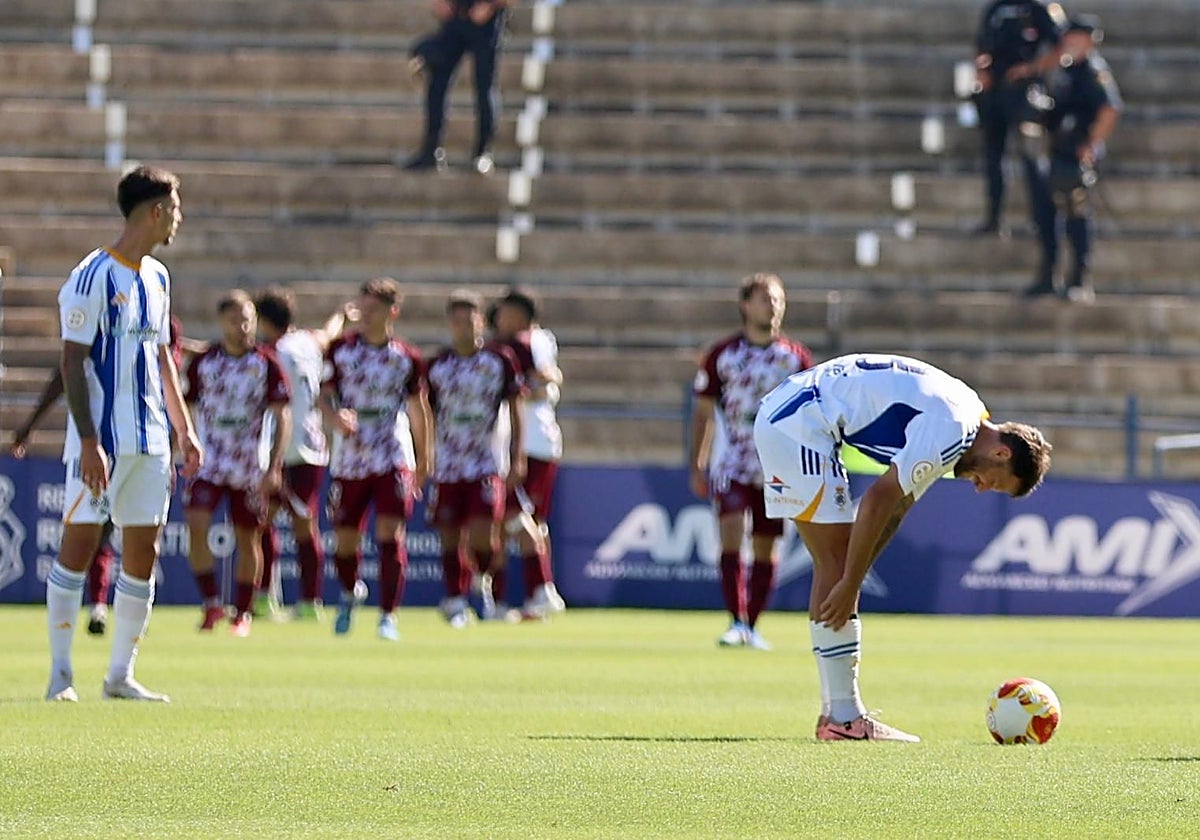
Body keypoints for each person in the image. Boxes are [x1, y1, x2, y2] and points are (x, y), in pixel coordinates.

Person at [754, 353, 1052, 741]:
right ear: (1001, 453)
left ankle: (837, 714)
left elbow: (897, 509)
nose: (980, 487)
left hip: (798, 415)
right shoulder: (951, 430)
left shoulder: (965, 417)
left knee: (840, 566)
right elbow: (878, 500)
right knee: (836, 563)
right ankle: (843, 720)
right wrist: (848, 582)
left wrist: (852, 580)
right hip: (801, 425)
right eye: (993, 481)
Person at [46, 164, 202, 702]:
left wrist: (184, 430)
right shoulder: (91, 275)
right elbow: (71, 362)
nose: (179, 219)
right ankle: (61, 674)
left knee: (143, 551)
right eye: (176, 209)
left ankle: (119, 675)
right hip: (102, 445)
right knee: (80, 544)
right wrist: (89, 441)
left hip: (151, 441)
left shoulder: (158, 278)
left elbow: (162, 359)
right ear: (156, 211)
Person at [13, 318, 204, 635]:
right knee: (90, 533)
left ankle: (124, 644)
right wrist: (38, 426)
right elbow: (66, 369)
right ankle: (86, 624)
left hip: (148, 449)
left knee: (143, 540)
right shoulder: (101, 314)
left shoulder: (161, 315)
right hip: (104, 445)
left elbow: (168, 379)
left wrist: (176, 442)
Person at [689, 273, 812, 650]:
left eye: (777, 298)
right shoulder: (722, 354)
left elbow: (809, 414)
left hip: (777, 465)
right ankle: (736, 620)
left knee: (765, 545)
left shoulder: (795, 357)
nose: (772, 305)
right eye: (764, 298)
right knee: (730, 530)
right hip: (733, 460)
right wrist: (699, 461)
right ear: (745, 305)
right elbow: (703, 412)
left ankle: (753, 625)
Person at [319, 278, 431, 641]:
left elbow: (418, 409)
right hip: (350, 459)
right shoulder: (340, 351)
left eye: (374, 310)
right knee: (346, 540)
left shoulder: (406, 358)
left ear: (392, 312)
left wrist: (424, 461)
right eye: (362, 308)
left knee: (389, 532)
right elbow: (321, 395)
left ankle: (388, 615)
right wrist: (335, 417)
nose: (366, 316)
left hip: (391, 455)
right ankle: (351, 592)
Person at [184, 290, 291, 637]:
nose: (242, 325)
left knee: (248, 539)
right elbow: (185, 404)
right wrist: (182, 444)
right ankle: (211, 603)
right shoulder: (205, 362)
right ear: (221, 322)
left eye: (247, 318)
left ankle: (242, 612)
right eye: (234, 319)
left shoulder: (266, 363)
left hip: (248, 467)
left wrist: (274, 466)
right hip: (210, 463)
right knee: (196, 524)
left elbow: (282, 416)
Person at [254, 287, 355, 621]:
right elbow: (329, 333)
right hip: (312, 447)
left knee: (267, 523)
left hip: (280, 447)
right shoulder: (308, 342)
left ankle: (265, 597)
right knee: (303, 524)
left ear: (263, 321)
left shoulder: (270, 352)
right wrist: (342, 313)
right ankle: (309, 601)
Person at [426, 290, 525, 627]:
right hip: (448, 464)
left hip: (485, 462)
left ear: (481, 322)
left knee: (485, 534)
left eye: (469, 321)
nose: (462, 328)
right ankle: (455, 599)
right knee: (450, 534)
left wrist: (517, 455)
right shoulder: (437, 366)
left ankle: (489, 590)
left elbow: (516, 406)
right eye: (456, 321)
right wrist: (425, 455)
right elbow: (425, 413)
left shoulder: (499, 361)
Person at [1026, 15, 1122, 301]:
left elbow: (1109, 110)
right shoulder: (1067, 70)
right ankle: (1048, 276)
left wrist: (1091, 145)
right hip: (1057, 153)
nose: (1070, 43)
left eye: (1076, 38)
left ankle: (1078, 278)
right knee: (1046, 217)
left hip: (1075, 158)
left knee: (1076, 218)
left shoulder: (1093, 72)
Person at [489, 288, 567, 620]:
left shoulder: (528, 342)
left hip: (529, 443)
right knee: (526, 522)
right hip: (538, 442)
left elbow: (546, 381)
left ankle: (542, 588)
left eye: (505, 312)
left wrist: (522, 392)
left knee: (512, 517)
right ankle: (508, 599)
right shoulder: (534, 342)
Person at [972, 0, 1063, 252]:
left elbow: (1060, 47)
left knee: (1031, 159)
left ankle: (1038, 217)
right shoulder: (994, 9)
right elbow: (981, 46)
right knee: (993, 157)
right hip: (994, 93)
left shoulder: (1037, 9)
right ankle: (994, 217)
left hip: (1024, 93)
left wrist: (1031, 68)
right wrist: (982, 69)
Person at [402, 0, 514, 174]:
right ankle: (431, 150)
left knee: (484, 86)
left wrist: (491, 6)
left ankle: (483, 153)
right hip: (455, 15)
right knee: (437, 82)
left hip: (485, 18)